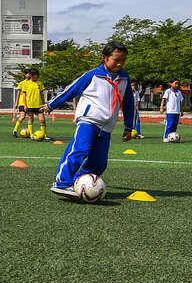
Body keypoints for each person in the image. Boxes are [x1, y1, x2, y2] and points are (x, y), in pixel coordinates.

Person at [42, 42, 134, 200]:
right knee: (80, 149)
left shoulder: (124, 79)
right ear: (104, 58)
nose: (120, 64)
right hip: (88, 120)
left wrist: (128, 127)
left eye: (123, 60)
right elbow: (71, 89)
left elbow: (128, 104)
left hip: (107, 126)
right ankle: (62, 183)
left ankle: (78, 182)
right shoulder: (93, 75)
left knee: (99, 163)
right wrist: (52, 104)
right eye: (116, 60)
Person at [23, 68, 49, 139]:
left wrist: (44, 103)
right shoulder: (26, 84)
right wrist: (25, 105)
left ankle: (44, 135)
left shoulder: (40, 83)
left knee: (42, 120)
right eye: (35, 75)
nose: (36, 76)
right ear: (31, 75)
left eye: (37, 75)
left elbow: (42, 94)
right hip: (30, 105)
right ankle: (31, 135)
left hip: (39, 105)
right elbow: (24, 95)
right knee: (31, 119)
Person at [160, 78, 184, 142]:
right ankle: (165, 137)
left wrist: (181, 110)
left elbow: (180, 102)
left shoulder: (179, 92)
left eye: (178, 83)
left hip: (177, 111)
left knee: (175, 125)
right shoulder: (168, 91)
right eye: (175, 83)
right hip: (170, 111)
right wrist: (161, 107)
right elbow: (163, 99)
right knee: (169, 124)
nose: (177, 85)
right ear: (171, 84)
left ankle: (172, 137)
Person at [12, 69, 31, 137]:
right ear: (25, 75)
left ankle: (30, 133)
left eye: (30, 74)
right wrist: (16, 103)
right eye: (28, 74)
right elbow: (18, 93)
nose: (29, 75)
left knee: (30, 117)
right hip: (22, 102)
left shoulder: (33, 83)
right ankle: (15, 130)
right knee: (22, 117)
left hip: (30, 103)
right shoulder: (22, 83)